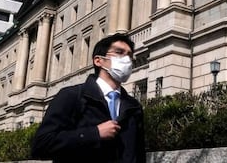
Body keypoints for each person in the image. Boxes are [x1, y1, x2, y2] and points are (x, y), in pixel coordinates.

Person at [31, 33, 146, 163]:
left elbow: (139, 153)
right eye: (119, 52)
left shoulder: (134, 106)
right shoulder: (71, 96)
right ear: (98, 60)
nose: (126, 59)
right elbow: (41, 145)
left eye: (129, 55)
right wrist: (94, 133)